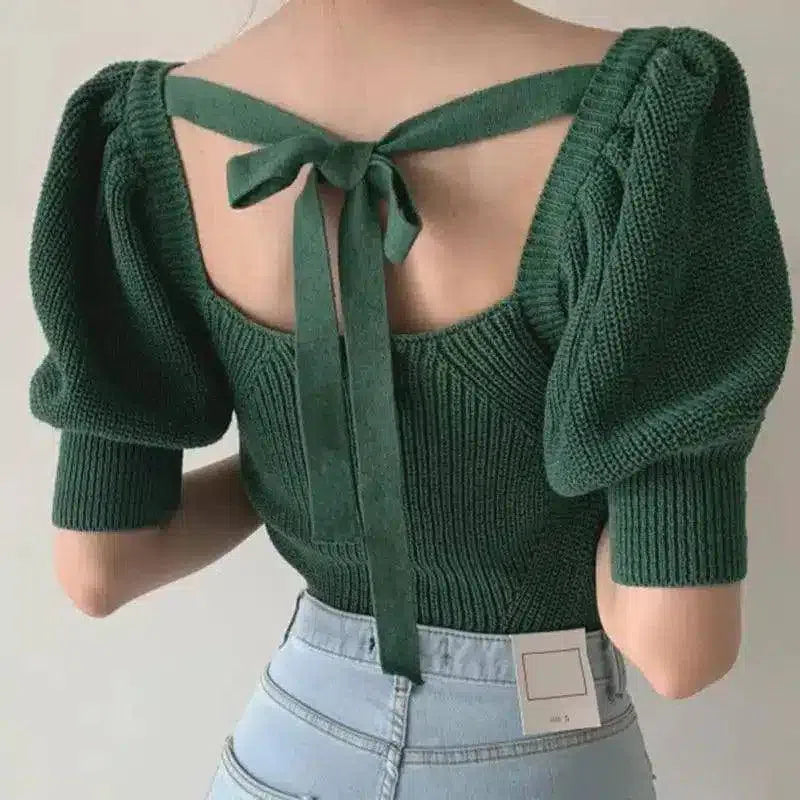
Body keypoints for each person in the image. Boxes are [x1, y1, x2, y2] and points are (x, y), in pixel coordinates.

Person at [28, 1, 792, 798]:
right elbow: (679, 648)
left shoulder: (141, 132)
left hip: (288, 748)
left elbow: (102, 567)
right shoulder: (649, 112)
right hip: (538, 748)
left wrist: (303, 462)